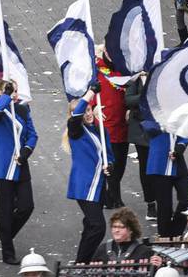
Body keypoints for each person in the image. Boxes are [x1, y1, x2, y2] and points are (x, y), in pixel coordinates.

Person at [0, 80, 38, 265]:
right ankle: (8, 251)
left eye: (15, 91)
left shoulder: (23, 110)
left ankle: (5, 234)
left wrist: (26, 150)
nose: (14, 94)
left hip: (20, 164)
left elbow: (33, 134)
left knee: (27, 206)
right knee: (5, 210)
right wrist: (5, 96)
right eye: (9, 90)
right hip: (2, 167)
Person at [67, 86, 113, 262]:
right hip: (84, 186)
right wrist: (89, 94)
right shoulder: (76, 131)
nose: (87, 114)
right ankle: (82, 262)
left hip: (99, 185)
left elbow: (109, 155)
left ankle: (81, 261)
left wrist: (111, 166)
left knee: (89, 226)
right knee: (97, 226)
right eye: (84, 111)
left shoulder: (100, 129)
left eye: (88, 110)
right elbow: (76, 116)